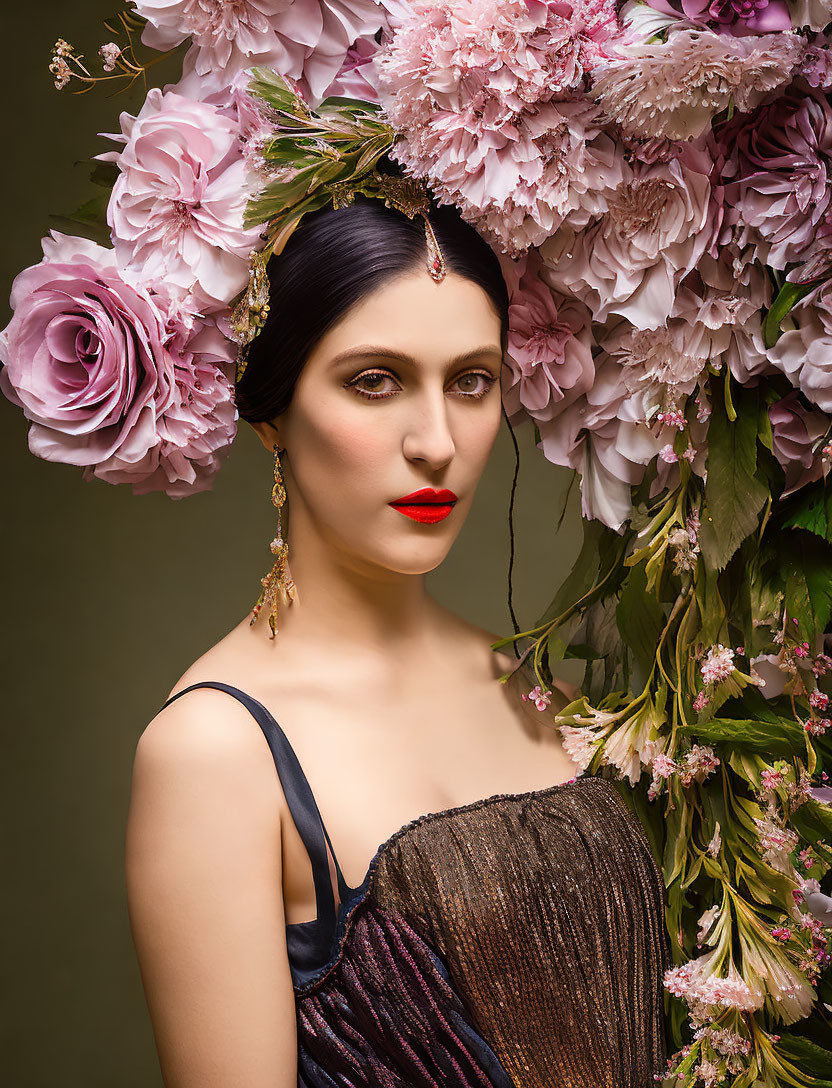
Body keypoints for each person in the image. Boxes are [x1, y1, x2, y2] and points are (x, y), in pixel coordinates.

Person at [125, 196, 670, 1087]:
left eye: (471, 382)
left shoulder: (534, 684)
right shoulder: (215, 753)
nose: (436, 443)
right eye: (373, 382)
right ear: (271, 411)